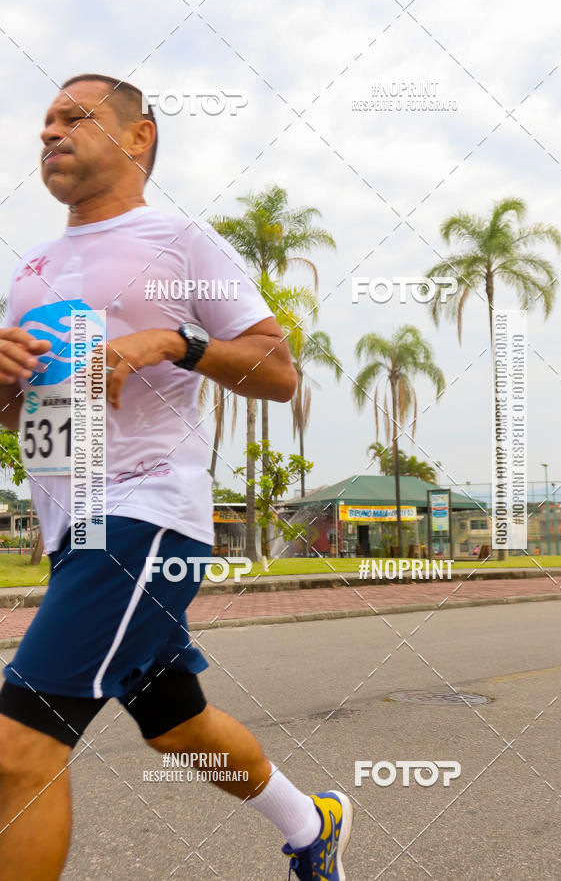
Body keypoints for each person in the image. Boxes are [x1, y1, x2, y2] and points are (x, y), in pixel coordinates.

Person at [0, 74, 353, 881]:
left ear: (138, 137)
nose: (49, 132)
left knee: (18, 745)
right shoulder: (32, 268)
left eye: (73, 117)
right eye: (44, 122)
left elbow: (277, 369)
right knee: (175, 722)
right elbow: (20, 418)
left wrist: (170, 342)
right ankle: (311, 823)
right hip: (69, 527)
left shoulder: (179, 240)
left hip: (146, 514)